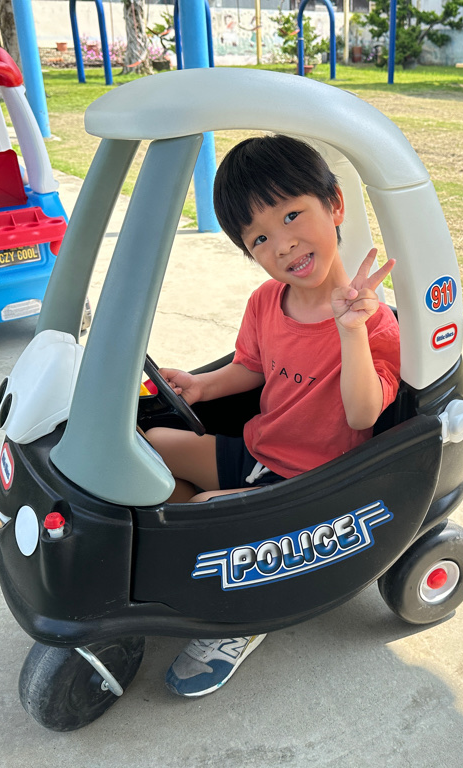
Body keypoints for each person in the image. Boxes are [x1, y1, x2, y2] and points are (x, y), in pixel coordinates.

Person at [146, 134, 400, 698]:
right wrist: (202, 386)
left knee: (203, 515)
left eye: (291, 215)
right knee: (154, 442)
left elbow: (363, 411)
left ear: (335, 204)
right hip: (260, 454)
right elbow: (252, 368)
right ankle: (197, 536)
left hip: (312, 485)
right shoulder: (266, 301)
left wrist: (351, 331)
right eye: (260, 238)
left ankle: (246, 615)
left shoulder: (374, 324)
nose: (283, 245)